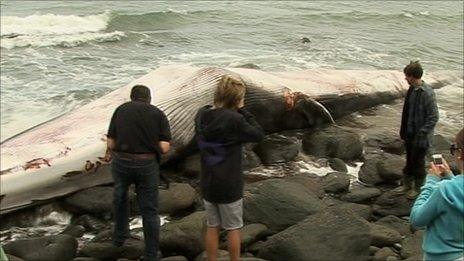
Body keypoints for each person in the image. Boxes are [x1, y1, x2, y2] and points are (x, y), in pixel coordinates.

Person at [194, 75, 265, 261]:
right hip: (229, 183)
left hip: (208, 181)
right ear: (237, 99)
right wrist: (243, 111)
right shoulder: (235, 119)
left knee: (212, 225)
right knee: (233, 227)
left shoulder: (202, 114)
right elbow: (258, 134)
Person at [105, 85, 171, 261]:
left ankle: (120, 237)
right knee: (149, 209)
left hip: (122, 162)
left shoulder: (120, 110)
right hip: (146, 164)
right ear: (149, 98)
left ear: (132, 97)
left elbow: (110, 143)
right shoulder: (158, 113)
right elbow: (164, 147)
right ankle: (151, 253)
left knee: (120, 197)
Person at [410, 127, 464, 261]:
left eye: (454, 148)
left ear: (460, 153)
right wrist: (449, 176)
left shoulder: (444, 189)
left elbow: (417, 219)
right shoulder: (451, 187)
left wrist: (431, 181)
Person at [399, 61, 439, 199]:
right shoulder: (411, 90)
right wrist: (404, 131)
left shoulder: (427, 93)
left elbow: (434, 117)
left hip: (421, 137)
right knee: (409, 160)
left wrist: (422, 132)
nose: (405, 79)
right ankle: (406, 185)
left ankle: (418, 188)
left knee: (418, 163)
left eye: (407, 76)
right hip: (410, 134)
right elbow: (407, 112)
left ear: (412, 76)